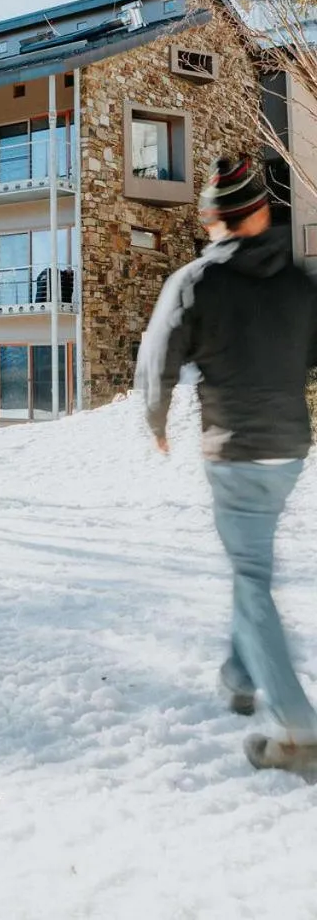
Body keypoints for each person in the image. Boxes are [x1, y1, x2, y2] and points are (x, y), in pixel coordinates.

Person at [135, 154, 317, 774]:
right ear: (262, 213)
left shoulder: (194, 282)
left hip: (236, 453)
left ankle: (298, 727)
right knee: (254, 565)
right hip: (290, 452)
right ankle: (239, 676)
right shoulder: (298, 281)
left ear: (213, 219)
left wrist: (156, 420)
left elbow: (157, 357)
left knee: (251, 578)